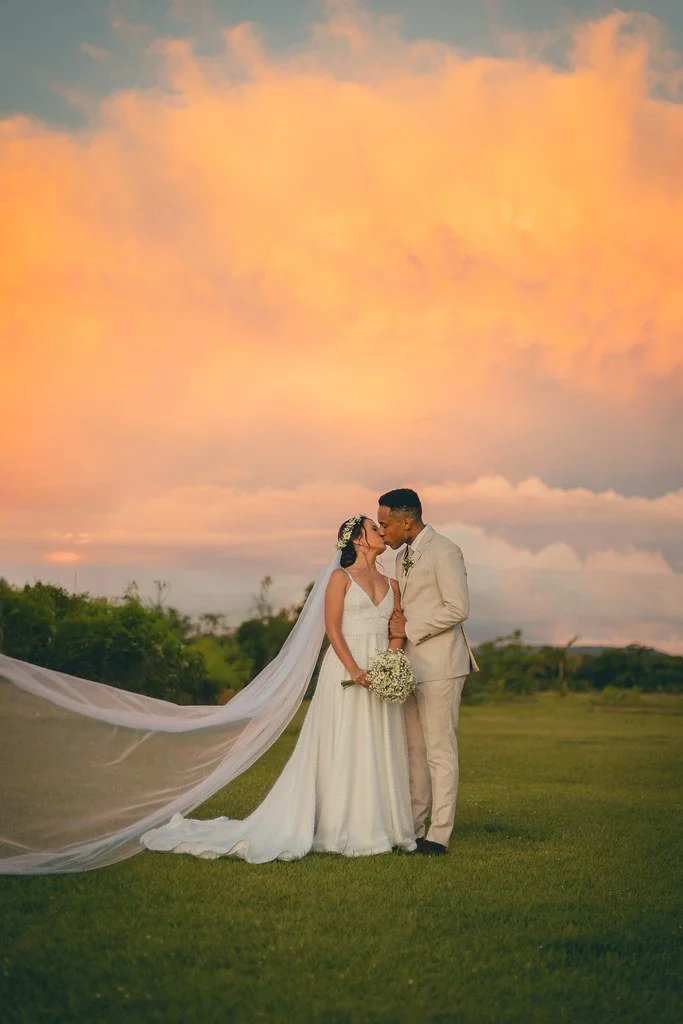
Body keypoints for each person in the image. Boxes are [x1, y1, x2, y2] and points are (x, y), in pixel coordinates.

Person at [140, 516, 416, 862]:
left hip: (381, 669)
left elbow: (397, 628)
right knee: (344, 741)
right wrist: (356, 670)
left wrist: (389, 664)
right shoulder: (340, 578)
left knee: (379, 740)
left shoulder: (393, 583)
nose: (381, 532)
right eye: (374, 529)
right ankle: (341, 827)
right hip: (346, 669)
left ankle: (383, 826)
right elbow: (332, 629)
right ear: (358, 539)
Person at [377, 488, 479, 856]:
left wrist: (410, 630)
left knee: (439, 751)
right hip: (408, 667)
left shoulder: (446, 551)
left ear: (407, 521)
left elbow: (458, 607)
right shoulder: (402, 554)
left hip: (441, 666)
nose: (381, 530)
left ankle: (438, 835)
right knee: (414, 751)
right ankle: (414, 830)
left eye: (385, 523)